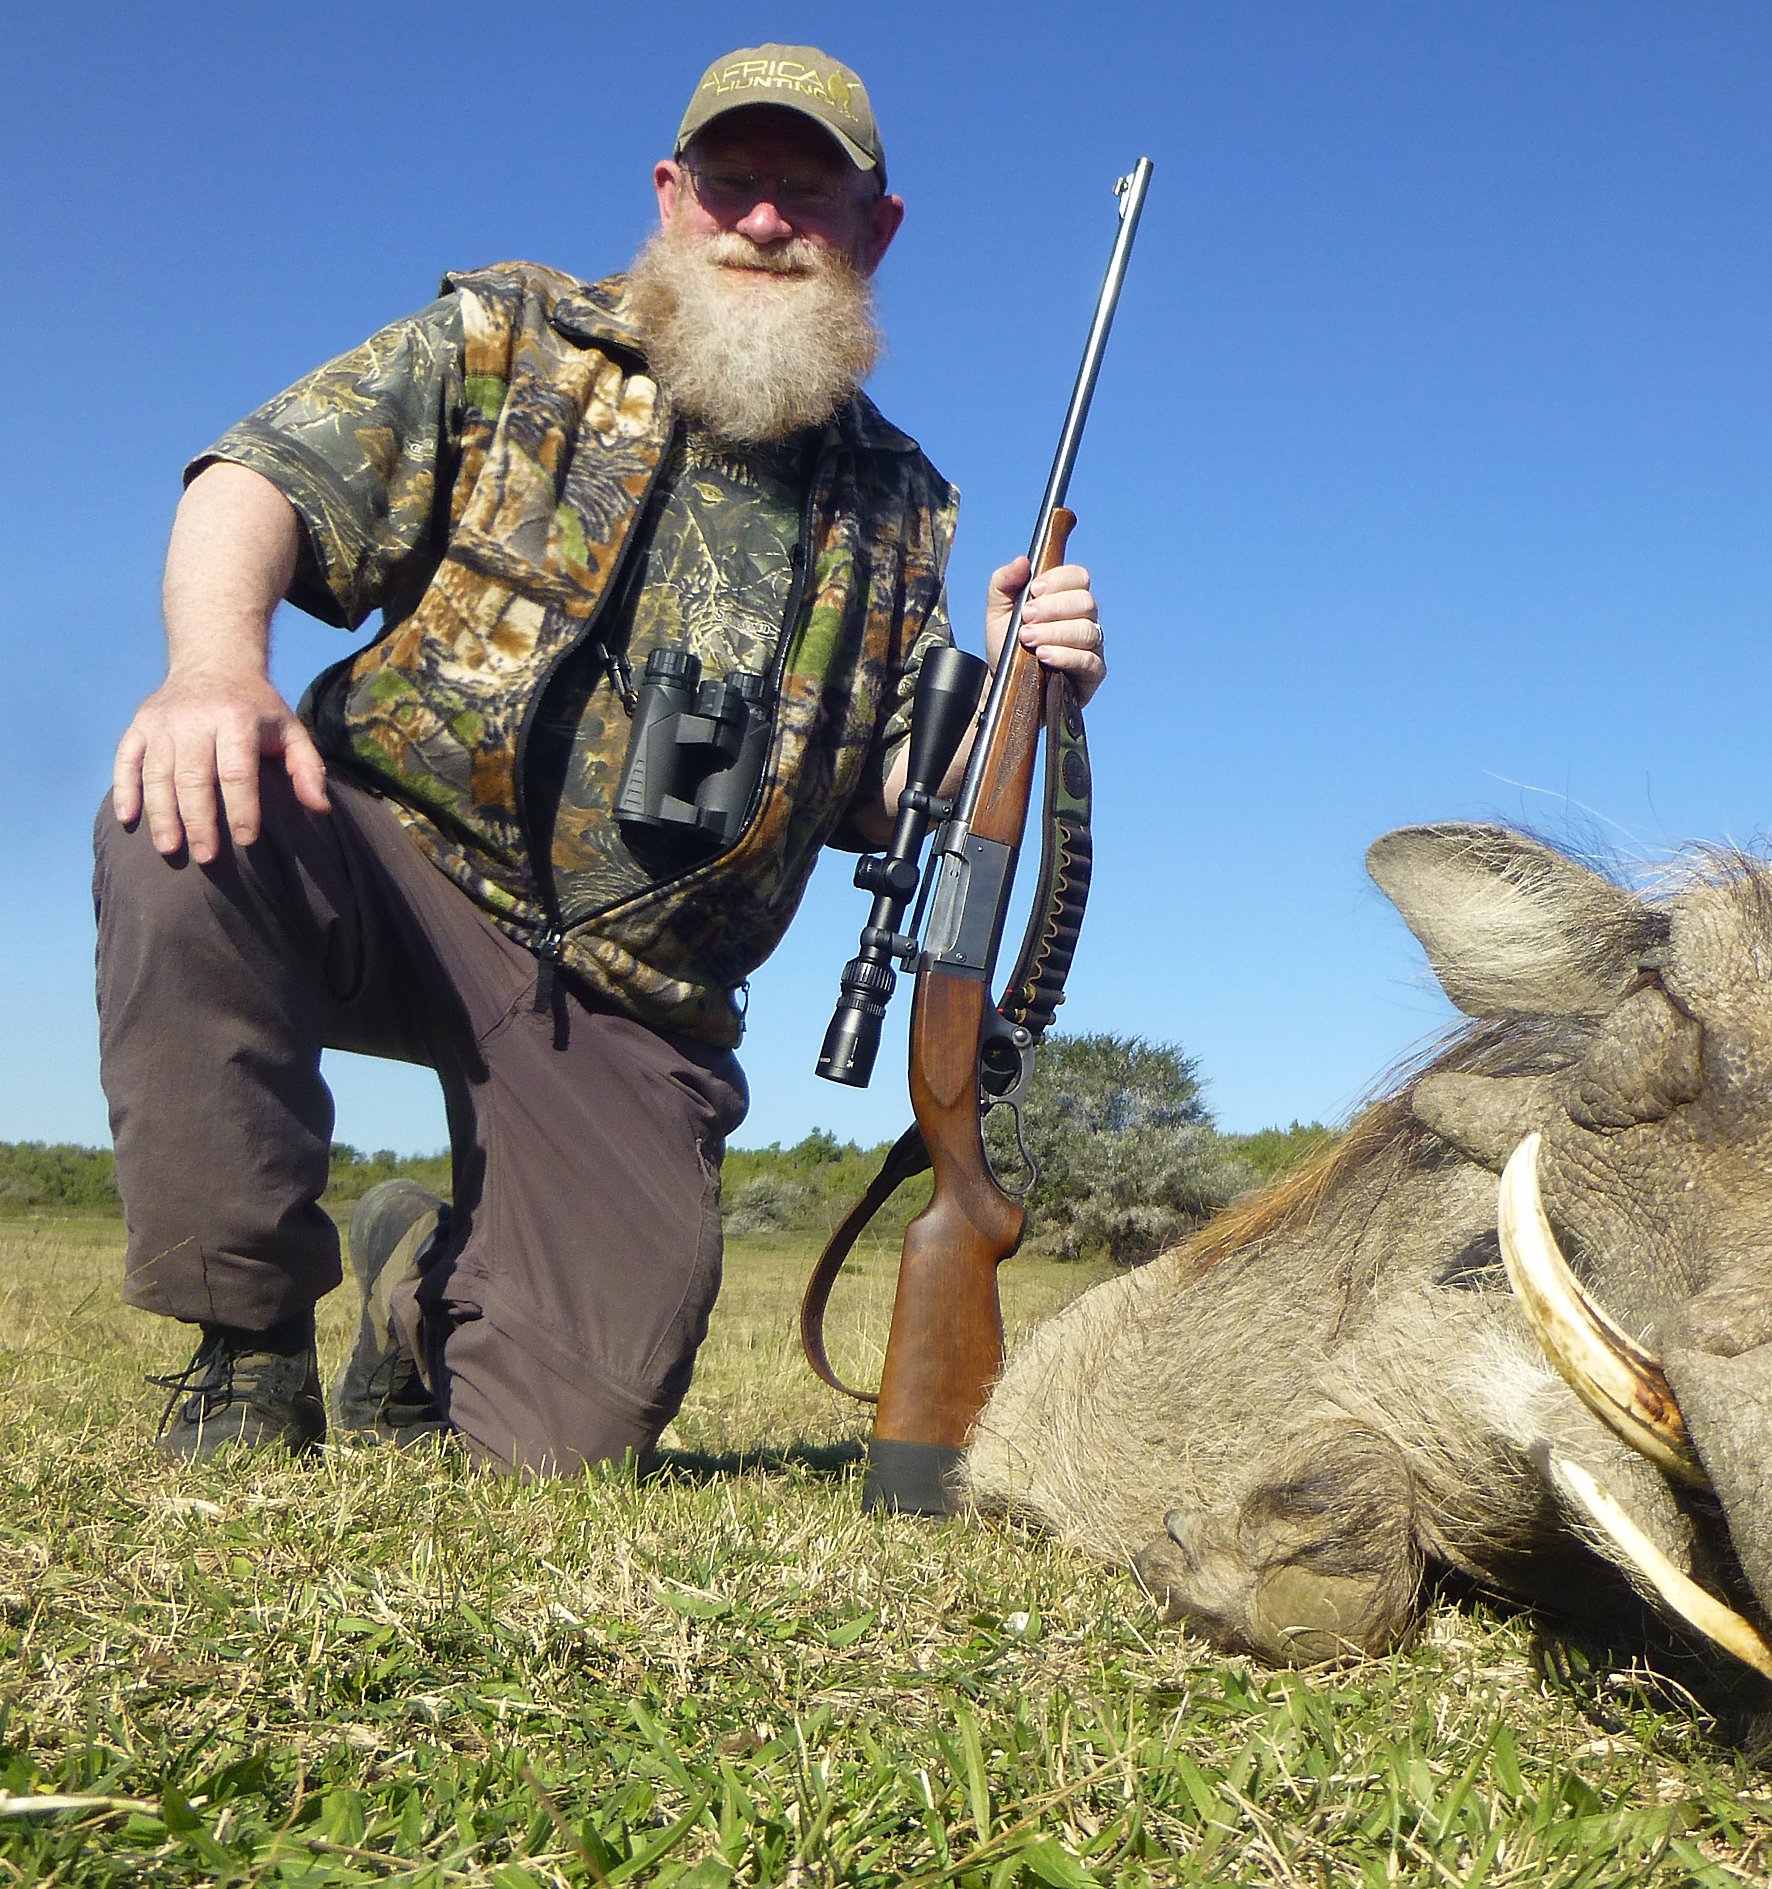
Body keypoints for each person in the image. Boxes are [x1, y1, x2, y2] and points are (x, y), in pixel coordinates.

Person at [96, 45, 1106, 1473]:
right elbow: (257, 478)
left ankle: (412, 1288)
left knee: (576, 1427)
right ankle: (245, 1347)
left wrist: (1013, 689)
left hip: (643, 997)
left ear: (873, 232)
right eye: (733, 183)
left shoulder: (902, 504)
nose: (764, 222)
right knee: (186, 805)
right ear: (669, 194)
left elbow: (879, 797)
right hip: (395, 867)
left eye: (805, 195)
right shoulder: (511, 338)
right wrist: (213, 672)